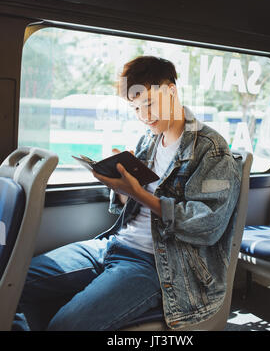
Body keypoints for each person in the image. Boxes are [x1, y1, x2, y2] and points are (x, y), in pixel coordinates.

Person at [12, 55, 242, 331]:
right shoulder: (149, 140)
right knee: (13, 284)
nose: (144, 117)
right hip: (112, 245)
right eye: (135, 109)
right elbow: (129, 207)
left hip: (159, 265)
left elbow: (207, 225)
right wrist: (120, 188)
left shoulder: (211, 149)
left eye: (149, 104)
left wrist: (139, 193)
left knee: (65, 325)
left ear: (171, 90)